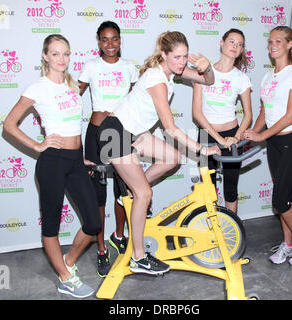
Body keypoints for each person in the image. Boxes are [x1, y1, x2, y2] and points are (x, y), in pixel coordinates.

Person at [95, 31, 221, 275]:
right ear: (164, 55)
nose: (182, 62)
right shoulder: (157, 79)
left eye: (185, 57)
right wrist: (202, 149)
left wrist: (207, 68)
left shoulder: (173, 72)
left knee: (173, 158)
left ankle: (128, 192)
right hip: (114, 133)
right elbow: (170, 128)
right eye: (176, 57)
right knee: (144, 193)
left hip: (134, 133)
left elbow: (209, 81)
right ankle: (138, 258)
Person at [3, 34, 102, 298]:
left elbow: (73, 128)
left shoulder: (72, 85)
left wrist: (78, 155)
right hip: (52, 163)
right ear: (45, 56)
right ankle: (66, 278)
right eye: (56, 53)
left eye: (66, 53)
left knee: (93, 223)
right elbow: (9, 124)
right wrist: (37, 146)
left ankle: (67, 264)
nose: (62, 59)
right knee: (51, 225)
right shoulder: (37, 88)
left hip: (75, 161)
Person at [242, 26, 292, 267]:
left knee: (280, 201)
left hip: (290, 144)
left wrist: (262, 136)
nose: (272, 45)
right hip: (274, 143)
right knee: (282, 198)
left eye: (278, 41)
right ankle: (288, 243)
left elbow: (289, 116)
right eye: (270, 41)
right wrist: (253, 132)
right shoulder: (268, 76)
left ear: (289, 44)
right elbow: (265, 111)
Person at [78, 21, 138, 277]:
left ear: (120, 40)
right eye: (105, 39)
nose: (110, 44)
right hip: (95, 134)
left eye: (114, 39)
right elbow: (71, 98)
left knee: (124, 191)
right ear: (98, 42)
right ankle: (101, 249)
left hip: (120, 133)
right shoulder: (90, 66)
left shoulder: (130, 67)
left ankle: (119, 235)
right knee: (97, 196)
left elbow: (136, 101)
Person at [192, 28, 252, 214]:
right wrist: (218, 139)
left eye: (239, 44)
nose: (235, 46)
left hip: (232, 136)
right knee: (208, 188)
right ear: (222, 43)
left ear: (242, 50)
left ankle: (229, 234)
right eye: (231, 41)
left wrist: (235, 137)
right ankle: (212, 233)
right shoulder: (203, 72)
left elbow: (248, 115)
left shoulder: (241, 78)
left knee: (231, 189)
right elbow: (197, 113)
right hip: (208, 135)